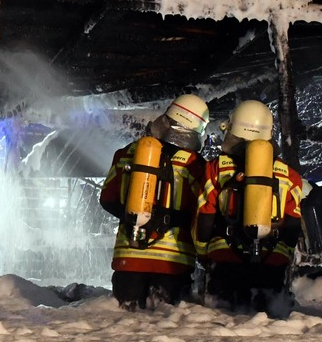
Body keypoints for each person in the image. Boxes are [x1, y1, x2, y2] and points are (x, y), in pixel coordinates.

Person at [193, 100, 304, 318]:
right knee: (268, 328)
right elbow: (292, 228)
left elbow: (204, 217)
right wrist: (280, 257)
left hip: (225, 263)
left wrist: (203, 252)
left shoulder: (216, 168)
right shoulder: (289, 175)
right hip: (271, 265)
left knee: (219, 326)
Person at [100, 94, 209, 310]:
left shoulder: (126, 153)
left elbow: (107, 200)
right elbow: (201, 213)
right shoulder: (194, 165)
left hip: (128, 260)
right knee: (165, 331)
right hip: (173, 265)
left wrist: (134, 216)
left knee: (122, 326)